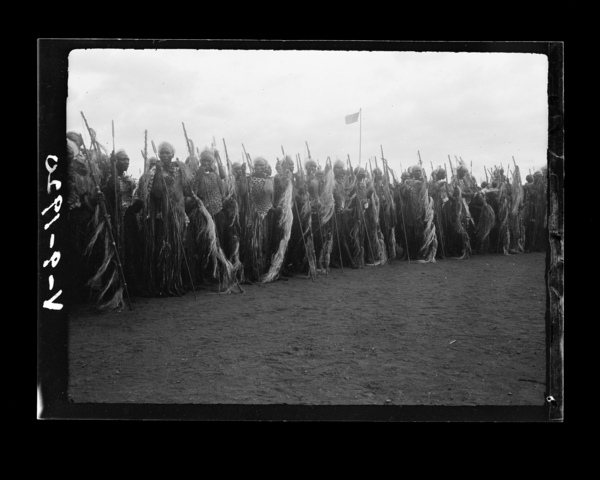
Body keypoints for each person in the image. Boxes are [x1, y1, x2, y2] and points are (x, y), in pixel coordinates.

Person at [135, 141, 195, 296]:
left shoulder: (180, 170)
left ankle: (177, 282)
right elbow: (155, 194)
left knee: (179, 249)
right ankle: (164, 284)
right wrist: (158, 173)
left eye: (167, 152)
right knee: (164, 249)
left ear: (172, 154)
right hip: (162, 216)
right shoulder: (154, 171)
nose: (164, 155)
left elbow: (188, 190)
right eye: (162, 152)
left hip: (178, 215)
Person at [398, 165, 437, 262]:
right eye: (416, 171)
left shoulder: (424, 183)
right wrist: (407, 190)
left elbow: (429, 195)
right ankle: (408, 253)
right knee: (409, 232)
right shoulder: (408, 183)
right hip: (410, 212)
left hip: (421, 212)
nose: (418, 173)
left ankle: (419, 253)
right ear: (412, 173)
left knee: (420, 233)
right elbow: (403, 194)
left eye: (419, 171)